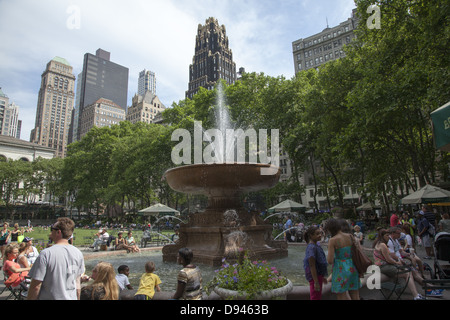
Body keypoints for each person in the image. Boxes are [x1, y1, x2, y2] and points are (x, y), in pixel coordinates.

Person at [27, 217, 85, 300]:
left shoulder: (46, 254)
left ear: (58, 232)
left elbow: (36, 286)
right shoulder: (78, 253)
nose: (50, 233)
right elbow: (77, 283)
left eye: (52, 229)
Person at [373, 229, 425, 300]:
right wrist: (398, 262)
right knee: (407, 273)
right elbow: (388, 259)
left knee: (408, 270)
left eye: (389, 235)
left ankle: (417, 294)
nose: (388, 237)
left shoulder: (379, 243)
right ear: (382, 236)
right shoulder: (383, 245)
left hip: (382, 266)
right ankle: (416, 295)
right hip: (384, 267)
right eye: (387, 235)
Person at [325, 218, 360, 300]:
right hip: (352, 266)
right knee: (355, 294)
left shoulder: (333, 240)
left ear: (330, 229)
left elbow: (330, 261)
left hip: (340, 269)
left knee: (341, 295)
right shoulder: (350, 236)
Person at [303, 226, 328, 300]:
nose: (320, 235)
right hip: (315, 277)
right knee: (315, 297)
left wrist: (322, 277)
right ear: (311, 235)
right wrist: (316, 282)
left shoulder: (316, 245)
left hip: (318, 275)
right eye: (317, 234)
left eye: (320, 233)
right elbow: (312, 265)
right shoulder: (312, 247)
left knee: (317, 296)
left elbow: (318, 263)